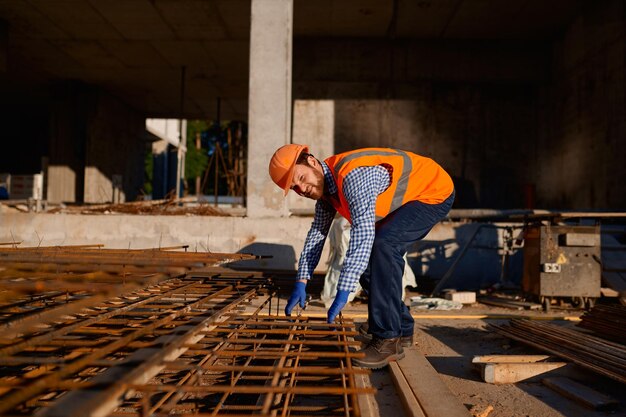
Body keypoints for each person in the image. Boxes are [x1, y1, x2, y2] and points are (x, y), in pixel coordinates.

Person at [268, 145, 454, 368]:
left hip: (433, 192)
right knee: (372, 258)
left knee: (383, 245)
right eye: (295, 188)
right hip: (410, 199)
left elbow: (364, 234)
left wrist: (344, 290)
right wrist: (301, 280)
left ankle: (387, 338)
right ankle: (401, 328)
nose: (302, 188)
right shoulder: (326, 194)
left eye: (301, 177)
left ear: (313, 162)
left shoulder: (352, 176)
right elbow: (316, 235)